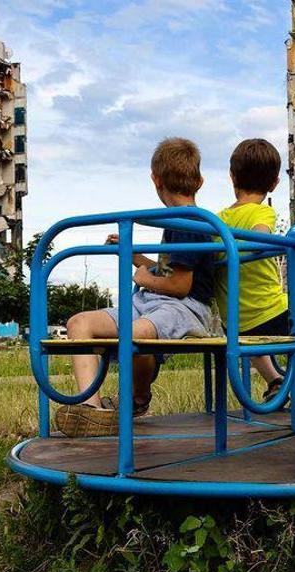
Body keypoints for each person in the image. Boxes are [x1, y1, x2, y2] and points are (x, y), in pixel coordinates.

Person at [55, 138, 216, 434]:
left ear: (155, 180)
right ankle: (92, 410)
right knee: (78, 323)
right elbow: (169, 271)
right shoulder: (175, 220)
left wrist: (145, 280)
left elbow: (180, 285)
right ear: (200, 181)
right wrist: (134, 256)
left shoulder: (190, 223)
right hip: (154, 302)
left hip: (187, 308)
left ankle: (137, 398)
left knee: (136, 332)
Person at [216, 138, 291, 402]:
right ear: (274, 184)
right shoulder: (262, 213)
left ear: (232, 176)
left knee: (253, 342)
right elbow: (261, 236)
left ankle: (275, 381)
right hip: (271, 312)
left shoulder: (219, 220)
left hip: (235, 324)